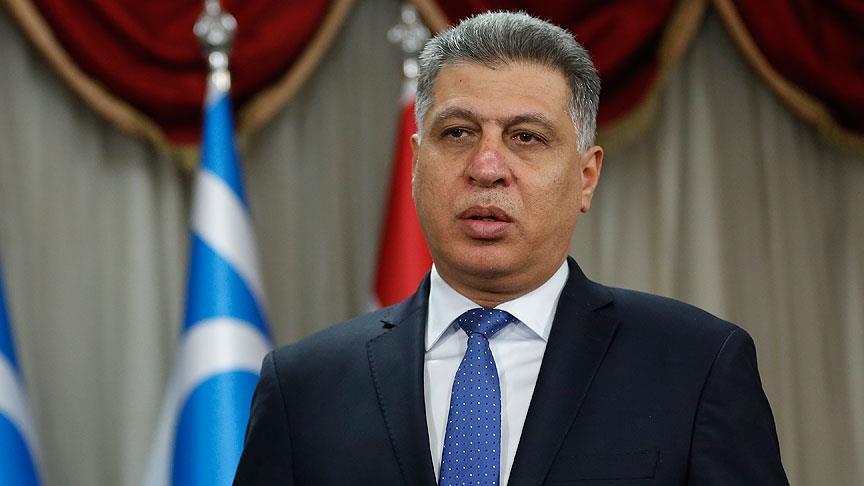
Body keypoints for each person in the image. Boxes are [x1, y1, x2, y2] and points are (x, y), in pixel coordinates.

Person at [234, 11, 787, 485]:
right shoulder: (303, 386)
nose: (486, 167)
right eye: (458, 133)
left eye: (526, 137)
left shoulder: (696, 366)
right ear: (417, 164)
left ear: (586, 177)